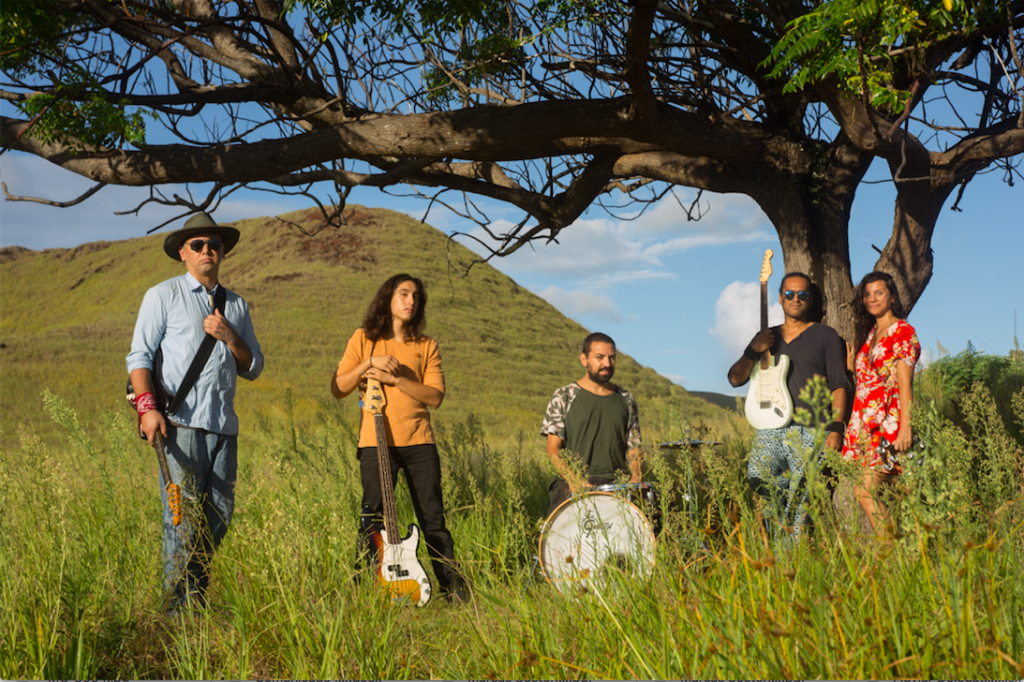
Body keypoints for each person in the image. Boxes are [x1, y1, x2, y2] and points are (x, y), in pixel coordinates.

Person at [126, 212, 264, 613]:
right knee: (181, 523)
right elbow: (139, 356)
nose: (208, 251)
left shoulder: (236, 305)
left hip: (224, 429)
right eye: (198, 245)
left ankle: (194, 602)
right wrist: (148, 409)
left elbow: (253, 366)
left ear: (223, 253)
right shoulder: (162, 295)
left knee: (218, 518)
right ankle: (175, 616)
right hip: (179, 428)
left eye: (214, 245)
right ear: (183, 252)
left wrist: (229, 335)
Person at [331, 274, 466, 602]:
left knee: (433, 519)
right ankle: (364, 592)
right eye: (404, 294)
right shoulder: (365, 339)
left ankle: (455, 593)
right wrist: (369, 362)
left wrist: (395, 379)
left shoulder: (426, 345)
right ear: (388, 299)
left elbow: (434, 397)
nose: (411, 301)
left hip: (420, 442)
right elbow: (339, 388)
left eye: (417, 296)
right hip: (375, 443)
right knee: (371, 520)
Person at [728, 272, 849, 542]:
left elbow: (839, 384)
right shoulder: (765, 337)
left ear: (810, 299)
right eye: (790, 294)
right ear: (781, 298)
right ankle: (776, 551)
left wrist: (836, 428)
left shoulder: (825, 335)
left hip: (810, 430)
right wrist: (752, 349)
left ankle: (790, 567)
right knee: (760, 482)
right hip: (769, 429)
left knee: (799, 502)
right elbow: (735, 379)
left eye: (802, 294)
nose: (796, 299)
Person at [842, 271, 921, 534]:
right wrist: (854, 367)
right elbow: (873, 379)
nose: (872, 299)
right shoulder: (871, 333)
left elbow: (904, 384)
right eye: (867, 294)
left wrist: (905, 428)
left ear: (893, 297)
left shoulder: (903, 331)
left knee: (865, 493)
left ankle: (892, 558)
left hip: (889, 424)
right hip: (867, 426)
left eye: (879, 293)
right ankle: (899, 555)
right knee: (876, 494)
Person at [541, 332, 643, 517]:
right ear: (584, 359)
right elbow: (553, 450)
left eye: (612, 358)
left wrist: (635, 477)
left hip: (617, 482)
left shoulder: (627, 400)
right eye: (599, 357)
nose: (607, 363)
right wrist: (574, 479)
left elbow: (635, 449)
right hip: (572, 481)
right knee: (556, 537)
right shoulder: (563, 396)